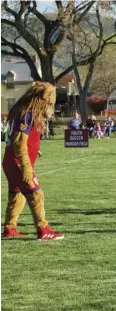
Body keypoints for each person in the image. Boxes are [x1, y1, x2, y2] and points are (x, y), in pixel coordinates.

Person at [2, 82, 64, 240]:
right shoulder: (27, 113)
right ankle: (43, 229)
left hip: (10, 161)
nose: (50, 107)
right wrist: (26, 168)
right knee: (36, 194)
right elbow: (19, 142)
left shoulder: (26, 111)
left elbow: (26, 140)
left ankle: (10, 228)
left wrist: (36, 149)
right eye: (49, 103)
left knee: (17, 194)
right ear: (40, 100)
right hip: (18, 162)